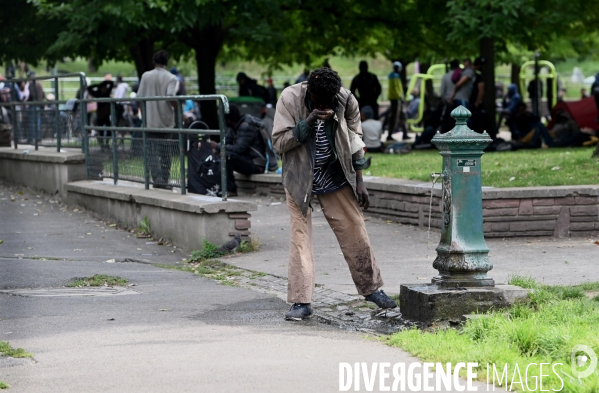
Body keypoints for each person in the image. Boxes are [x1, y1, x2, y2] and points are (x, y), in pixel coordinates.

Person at [272, 67, 397, 321]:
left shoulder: (346, 99)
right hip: (299, 178)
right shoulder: (289, 98)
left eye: (329, 101)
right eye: (319, 102)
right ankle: (301, 301)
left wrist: (360, 180)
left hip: (335, 174)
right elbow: (279, 143)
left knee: (355, 228)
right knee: (300, 238)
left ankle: (372, 289)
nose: (325, 105)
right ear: (310, 93)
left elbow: (355, 138)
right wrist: (308, 121)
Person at [137, 49, 180, 189]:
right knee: (166, 153)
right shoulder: (171, 78)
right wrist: (178, 108)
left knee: (152, 152)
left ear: (153, 61)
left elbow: (139, 98)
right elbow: (170, 96)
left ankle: (157, 179)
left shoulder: (145, 76)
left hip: (150, 121)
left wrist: (144, 113)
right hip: (166, 121)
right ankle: (164, 180)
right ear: (166, 63)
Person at [387, 61, 405, 140]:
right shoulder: (396, 77)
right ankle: (390, 134)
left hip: (394, 98)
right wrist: (401, 97)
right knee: (395, 117)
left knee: (402, 116)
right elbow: (397, 88)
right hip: (396, 99)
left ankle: (405, 132)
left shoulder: (391, 76)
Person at [440, 59, 459, 133]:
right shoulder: (461, 75)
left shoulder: (446, 76)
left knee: (448, 123)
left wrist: (445, 100)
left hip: (448, 101)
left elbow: (442, 91)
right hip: (459, 101)